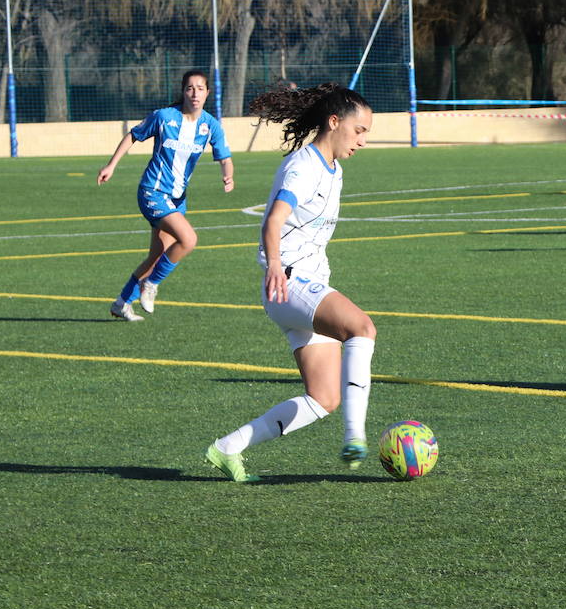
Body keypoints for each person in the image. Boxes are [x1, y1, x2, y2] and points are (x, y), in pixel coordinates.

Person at [204, 82, 377, 483]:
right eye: (360, 131)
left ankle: (227, 447)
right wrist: (274, 265)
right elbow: (274, 219)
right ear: (334, 122)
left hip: (302, 287)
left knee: (324, 398)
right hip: (289, 283)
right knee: (361, 327)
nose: (363, 140)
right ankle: (356, 436)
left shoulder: (334, 169)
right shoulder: (305, 166)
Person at [97, 70, 234, 321]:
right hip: (152, 191)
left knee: (158, 254)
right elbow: (133, 136)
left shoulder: (210, 125)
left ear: (207, 93)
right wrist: (111, 165)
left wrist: (228, 175)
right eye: (190, 88)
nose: (195, 93)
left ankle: (121, 303)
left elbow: (225, 157)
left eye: (200, 88)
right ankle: (150, 285)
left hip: (177, 198)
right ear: (183, 91)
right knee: (189, 239)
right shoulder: (164, 117)